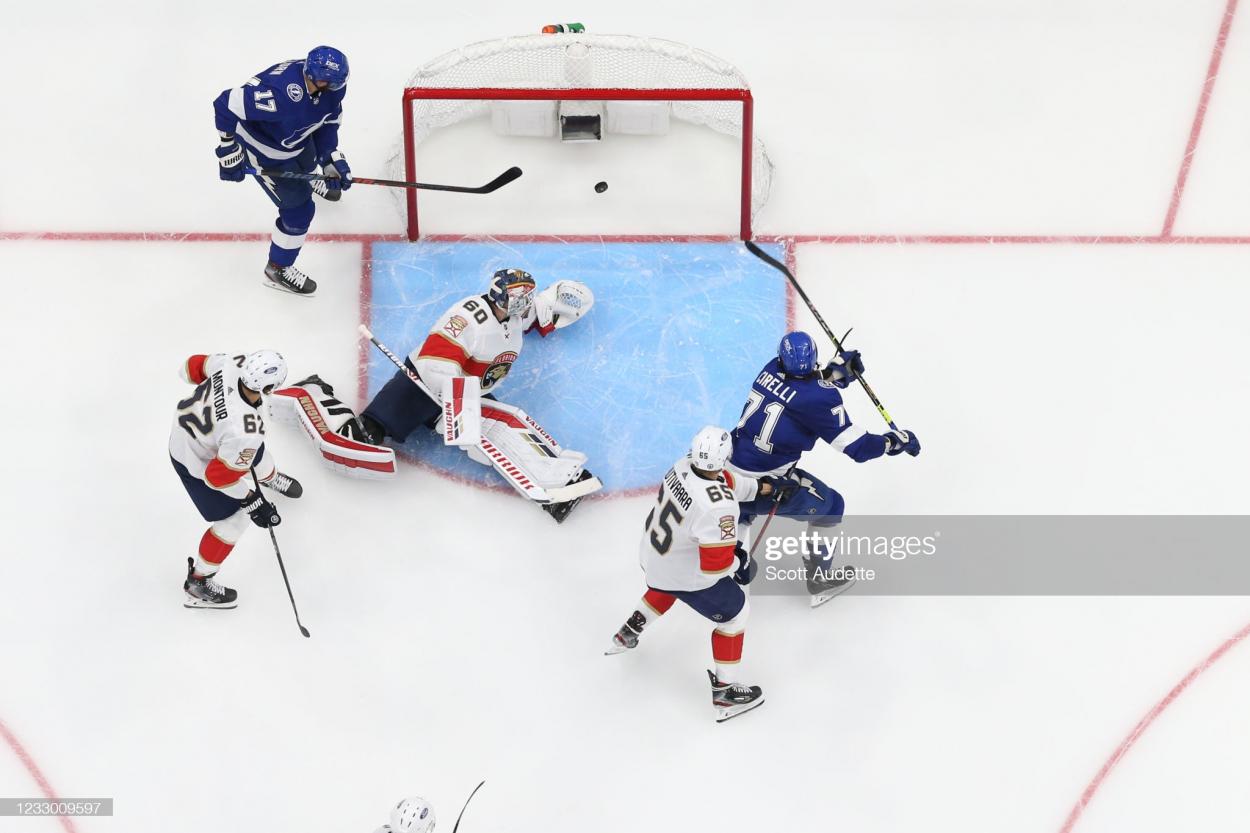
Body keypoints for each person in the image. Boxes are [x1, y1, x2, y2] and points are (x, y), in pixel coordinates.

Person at [359, 268, 595, 520]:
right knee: (373, 427)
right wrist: (458, 404)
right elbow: (436, 361)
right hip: (421, 386)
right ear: (499, 296)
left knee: (504, 432)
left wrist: (562, 297)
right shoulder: (468, 318)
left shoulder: (514, 313)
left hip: (468, 393)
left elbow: (540, 309)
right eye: (518, 297)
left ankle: (561, 481)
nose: (524, 303)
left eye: (527, 296)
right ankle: (357, 429)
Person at [605, 426, 788, 722]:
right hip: (681, 570)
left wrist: (763, 487)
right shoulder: (719, 508)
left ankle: (629, 631)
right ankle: (726, 695)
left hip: (652, 554)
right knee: (736, 615)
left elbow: (723, 481)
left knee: (666, 584)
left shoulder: (681, 466)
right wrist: (739, 564)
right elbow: (714, 567)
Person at [730, 331, 920, 606]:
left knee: (744, 501)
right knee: (832, 506)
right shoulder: (820, 399)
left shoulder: (770, 368)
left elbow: (800, 391)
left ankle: (733, 537)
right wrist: (894, 441)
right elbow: (858, 448)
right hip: (764, 484)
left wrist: (833, 375)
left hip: (727, 471)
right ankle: (820, 580)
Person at [212, 45, 352, 296]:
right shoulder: (280, 95)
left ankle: (309, 179)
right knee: (299, 212)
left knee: (309, 165)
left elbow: (328, 121)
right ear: (310, 75)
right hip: (266, 154)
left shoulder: (331, 85)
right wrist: (228, 145)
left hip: (297, 140)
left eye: (335, 84)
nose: (332, 89)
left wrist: (329, 157)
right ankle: (277, 269)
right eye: (326, 83)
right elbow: (226, 103)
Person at [169, 351, 302, 608]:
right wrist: (251, 500)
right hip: (195, 462)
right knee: (234, 520)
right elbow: (216, 479)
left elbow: (188, 368)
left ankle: (270, 477)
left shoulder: (232, 363)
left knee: (255, 454)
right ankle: (199, 583)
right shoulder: (244, 431)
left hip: (193, 436)